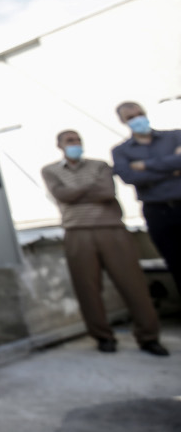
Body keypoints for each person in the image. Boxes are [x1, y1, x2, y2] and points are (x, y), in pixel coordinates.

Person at [41, 130, 168, 356]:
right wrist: (87, 190)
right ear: (59, 145)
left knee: (133, 285)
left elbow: (107, 191)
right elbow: (62, 195)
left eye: (78, 140)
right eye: (70, 141)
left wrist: (76, 193)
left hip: (112, 229)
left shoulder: (100, 166)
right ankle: (103, 337)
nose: (76, 144)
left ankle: (148, 337)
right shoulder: (50, 171)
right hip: (77, 232)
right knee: (87, 288)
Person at [111, 101, 181, 297]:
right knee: (175, 263)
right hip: (157, 212)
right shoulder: (121, 151)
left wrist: (145, 165)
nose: (137, 119)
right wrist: (173, 169)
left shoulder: (175, 136)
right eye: (131, 117)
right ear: (123, 121)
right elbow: (129, 177)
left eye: (139, 113)